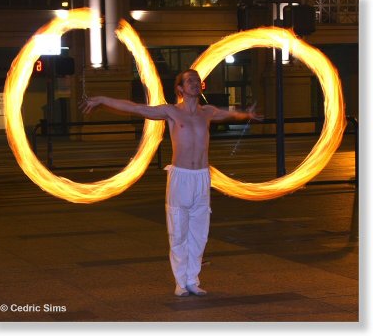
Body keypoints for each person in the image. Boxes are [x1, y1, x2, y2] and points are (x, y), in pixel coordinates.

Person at [80, 69, 262, 297]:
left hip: (202, 177)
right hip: (181, 176)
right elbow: (136, 108)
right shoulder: (172, 112)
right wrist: (103, 99)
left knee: (199, 231)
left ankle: (192, 279)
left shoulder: (207, 112)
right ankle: (179, 282)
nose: (195, 83)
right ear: (180, 88)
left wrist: (247, 115)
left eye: (197, 80)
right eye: (190, 81)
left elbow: (229, 115)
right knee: (179, 231)